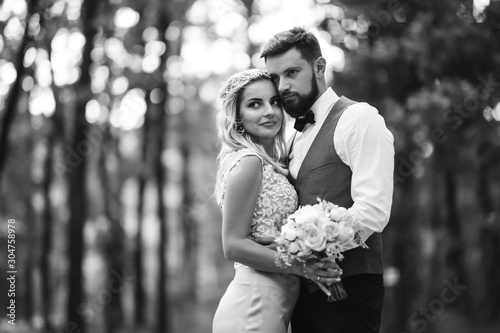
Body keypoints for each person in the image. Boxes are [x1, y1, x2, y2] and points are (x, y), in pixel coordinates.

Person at [261, 27, 395, 333]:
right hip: (304, 294)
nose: (282, 86)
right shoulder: (292, 138)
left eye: (292, 72)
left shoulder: (358, 119)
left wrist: (310, 247)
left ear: (319, 67)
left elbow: (373, 212)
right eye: (275, 78)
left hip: (349, 290)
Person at [212, 68, 342, 333]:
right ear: (237, 116)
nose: (269, 111)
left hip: (273, 305)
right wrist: (304, 268)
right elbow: (233, 246)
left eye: (274, 102)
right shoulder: (249, 162)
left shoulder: (271, 164)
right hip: (253, 305)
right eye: (254, 104)